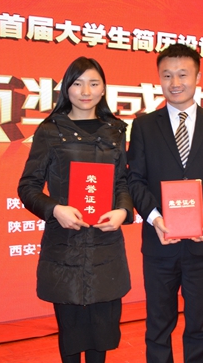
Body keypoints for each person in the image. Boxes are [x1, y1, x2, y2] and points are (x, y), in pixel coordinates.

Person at [126, 43, 203, 363]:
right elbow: (134, 180)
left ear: (197, 77)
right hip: (159, 243)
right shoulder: (144, 126)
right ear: (159, 78)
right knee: (158, 325)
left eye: (182, 74)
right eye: (167, 75)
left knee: (201, 324)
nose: (174, 82)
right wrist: (155, 218)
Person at [17, 56, 134, 363]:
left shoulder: (116, 130)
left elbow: (122, 181)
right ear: (66, 88)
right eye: (78, 83)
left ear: (103, 88)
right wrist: (55, 209)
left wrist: (123, 211)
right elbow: (28, 187)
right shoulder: (50, 130)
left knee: (101, 334)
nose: (86, 91)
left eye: (94, 83)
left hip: (105, 245)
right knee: (71, 335)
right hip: (65, 245)